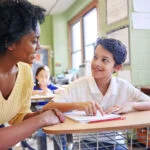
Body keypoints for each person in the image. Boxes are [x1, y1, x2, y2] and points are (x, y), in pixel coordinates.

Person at [43, 37, 150, 150]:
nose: (96, 63)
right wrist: (77, 105)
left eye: (104, 60)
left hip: (115, 141)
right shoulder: (79, 85)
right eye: (95, 57)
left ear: (117, 67)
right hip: (85, 141)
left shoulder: (123, 86)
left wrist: (131, 105)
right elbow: (47, 107)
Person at [0, 0, 64, 149]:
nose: (39, 47)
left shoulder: (24, 72)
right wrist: (41, 120)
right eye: (34, 41)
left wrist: (41, 114)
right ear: (10, 42)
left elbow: (19, 116)